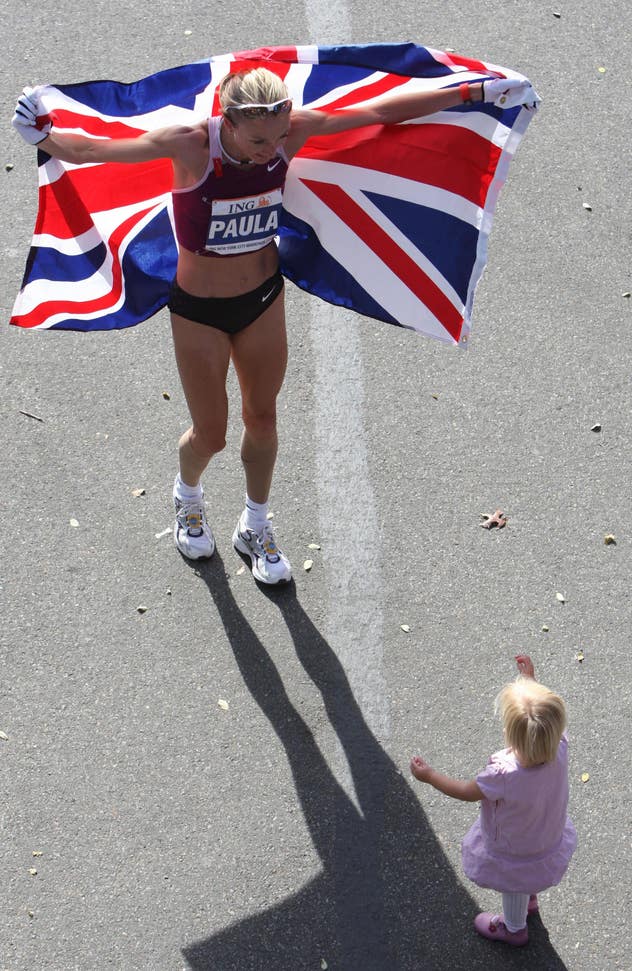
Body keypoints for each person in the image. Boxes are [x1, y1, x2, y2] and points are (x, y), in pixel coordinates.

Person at [12, 71, 534, 584]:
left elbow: (379, 110)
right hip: (198, 309)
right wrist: (42, 134)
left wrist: (472, 92)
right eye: (259, 140)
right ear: (228, 122)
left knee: (263, 419)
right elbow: (93, 150)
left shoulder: (288, 130)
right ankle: (187, 496)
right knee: (211, 434)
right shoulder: (191, 146)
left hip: (262, 298)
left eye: (279, 137)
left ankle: (254, 524)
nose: (271, 150)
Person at [410, 654, 577, 947]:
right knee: (530, 875)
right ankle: (531, 897)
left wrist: (430, 776)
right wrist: (530, 682)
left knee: (514, 884)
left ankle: (514, 929)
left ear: (510, 734)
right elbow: (544, 721)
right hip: (546, 835)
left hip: (516, 849)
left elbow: (464, 791)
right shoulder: (558, 746)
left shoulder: (502, 775)